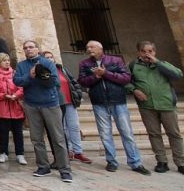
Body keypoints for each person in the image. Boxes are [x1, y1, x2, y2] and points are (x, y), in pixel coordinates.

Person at [78, 40, 150, 175]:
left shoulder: (115, 60)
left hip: (118, 101)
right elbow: (82, 81)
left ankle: (135, 162)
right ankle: (111, 161)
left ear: (100, 48)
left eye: (92, 47)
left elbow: (126, 78)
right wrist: (96, 76)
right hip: (99, 102)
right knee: (105, 134)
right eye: (88, 47)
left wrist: (106, 74)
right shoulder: (85, 64)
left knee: (127, 133)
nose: (89, 49)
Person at [14, 40, 72, 183]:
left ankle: (64, 169)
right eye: (25, 48)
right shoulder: (21, 65)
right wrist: (30, 76)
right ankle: (43, 166)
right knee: (36, 138)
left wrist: (40, 76)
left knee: (57, 138)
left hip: (50, 104)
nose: (28, 50)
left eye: (31, 47)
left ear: (37, 49)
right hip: (31, 105)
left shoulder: (47, 63)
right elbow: (17, 81)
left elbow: (55, 82)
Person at [126, 41, 184, 174]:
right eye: (143, 51)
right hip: (147, 106)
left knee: (174, 134)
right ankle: (162, 161)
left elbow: (178, 74)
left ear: (154, 52)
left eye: (150, 51)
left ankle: (181, 162)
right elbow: (125, 81)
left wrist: (157, 62)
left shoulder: (162, 64)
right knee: (154, 134)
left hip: (166, 104)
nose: (147, 54)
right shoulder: (133, 65)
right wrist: (134, 90)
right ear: (138, 52)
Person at [43, 50, 91, 165]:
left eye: (51, 57)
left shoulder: (62, 69)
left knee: (74, 126)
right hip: (57, 103)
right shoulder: (45, 72)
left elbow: (73, 82)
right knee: (62, 128)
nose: (50, 59)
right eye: (47, 58)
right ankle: (68, 151)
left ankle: (78, 151)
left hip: (69, 101)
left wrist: (78, 94)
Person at [0, 53, 26, 165]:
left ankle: (20, 154)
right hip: (2, 107)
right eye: (4, 60)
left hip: (16, 106)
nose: (7, 62)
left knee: (18, 132)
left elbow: (21, 87)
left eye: (8, 60)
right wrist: (3, 96)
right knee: (3, 132)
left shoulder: (15, 73)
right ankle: (3, 153)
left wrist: (15, 95)